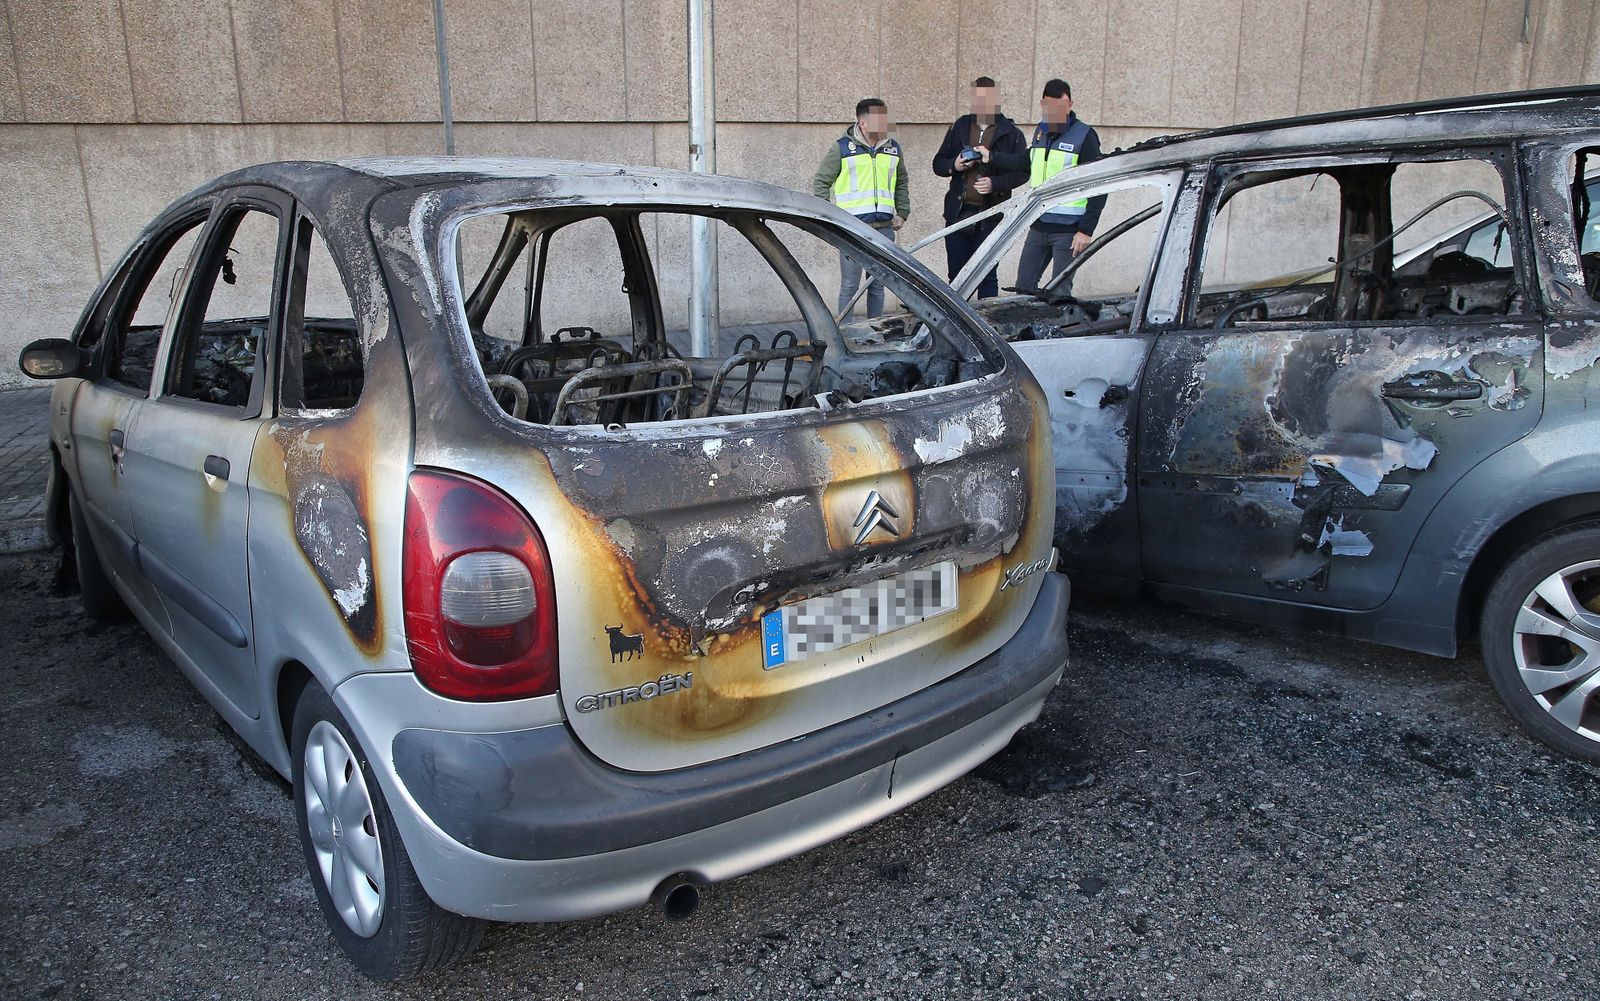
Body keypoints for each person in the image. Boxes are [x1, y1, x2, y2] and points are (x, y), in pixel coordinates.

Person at [977, 78, 1105, 294]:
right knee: (1024, 289)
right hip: (1038, 225)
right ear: (1043, 104)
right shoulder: (1041, 133)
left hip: (1069, 232)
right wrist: (991, 157)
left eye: (1061, 107)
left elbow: (1099, 184)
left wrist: (1086, 230)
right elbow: (1024, 162)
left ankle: (1058, 328)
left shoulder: (1085, 136)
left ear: (1070, 105)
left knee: (1059, 293)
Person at [932, 77, 1029, 299]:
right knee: (956, 277)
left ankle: (985, 328)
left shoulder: (1010, 132)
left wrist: (995, 184)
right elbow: (938, 163)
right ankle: (956, 327)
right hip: (958, 215)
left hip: (991, 216)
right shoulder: (961, 126)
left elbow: (1023, 171)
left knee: (987, 276)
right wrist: (955, 165)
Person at [811, 97, 909, 318]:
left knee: (877, 284)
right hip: (851, 228)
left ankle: (875, 332)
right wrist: (828, 216)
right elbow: (821, 182)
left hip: (884, 228)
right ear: (863, 123)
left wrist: (902, 212)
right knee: (850, 286)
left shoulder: (893, 149)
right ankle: (846, 334)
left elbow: (901, 182)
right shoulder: (843, 148)